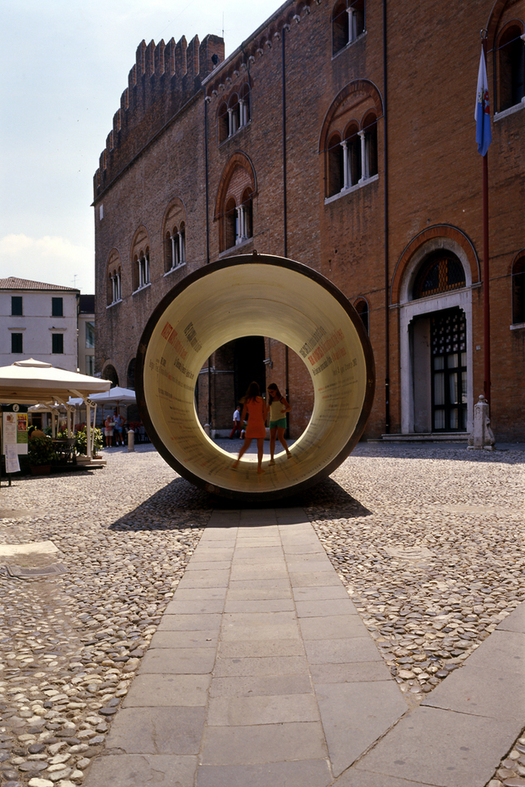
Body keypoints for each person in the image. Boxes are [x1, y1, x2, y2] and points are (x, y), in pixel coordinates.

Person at [231, 382, 267, 474]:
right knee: (260, 448)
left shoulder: (247, 400)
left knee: (245, 446)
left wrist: (242, 422)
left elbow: (243, 414)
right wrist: (263, 421)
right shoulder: (262, 400)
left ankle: (236, 463)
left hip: (251, 424)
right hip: (259, 424)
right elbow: (265, 412)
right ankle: (259, 468)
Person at [267, 383, 291, 465]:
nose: (271, 393)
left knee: (280, 437)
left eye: (272, 392)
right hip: (272, 420)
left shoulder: (281, 399)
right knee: (272, 439)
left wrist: (285, 411)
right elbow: (267, 410)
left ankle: (287, 451)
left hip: (281, 419)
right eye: (269, 392)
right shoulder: (270, 401)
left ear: (276, 390)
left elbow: (289, 408)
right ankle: (272, 459)